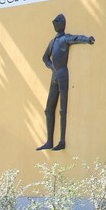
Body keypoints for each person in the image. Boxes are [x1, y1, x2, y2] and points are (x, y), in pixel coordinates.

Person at [37, 13, 95, 151]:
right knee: (48, 109)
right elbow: (45, 58)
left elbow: (76, 38)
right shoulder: (52, 42)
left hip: (63, 74)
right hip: (55, 75)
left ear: (62, 24)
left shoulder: (65, 38)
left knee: (63, 109)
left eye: (57, 22)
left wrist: (87, 39)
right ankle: (49, 141)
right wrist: (52, 67)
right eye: (55, 22)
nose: (55, 24)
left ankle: (62, 141)